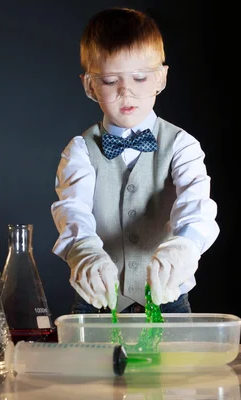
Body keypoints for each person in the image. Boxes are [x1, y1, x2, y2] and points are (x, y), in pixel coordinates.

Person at [51, 7, 219, 314]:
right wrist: (84, 253)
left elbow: (197, 207)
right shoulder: (79, 150)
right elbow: (72, 211)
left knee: (174, 365)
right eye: (111, 80)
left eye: (140, 78)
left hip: (167, 300)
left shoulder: (182, 145)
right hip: (97, 300)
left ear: (160, 78)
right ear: (89, 85)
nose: (126, 92)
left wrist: (185, 247)